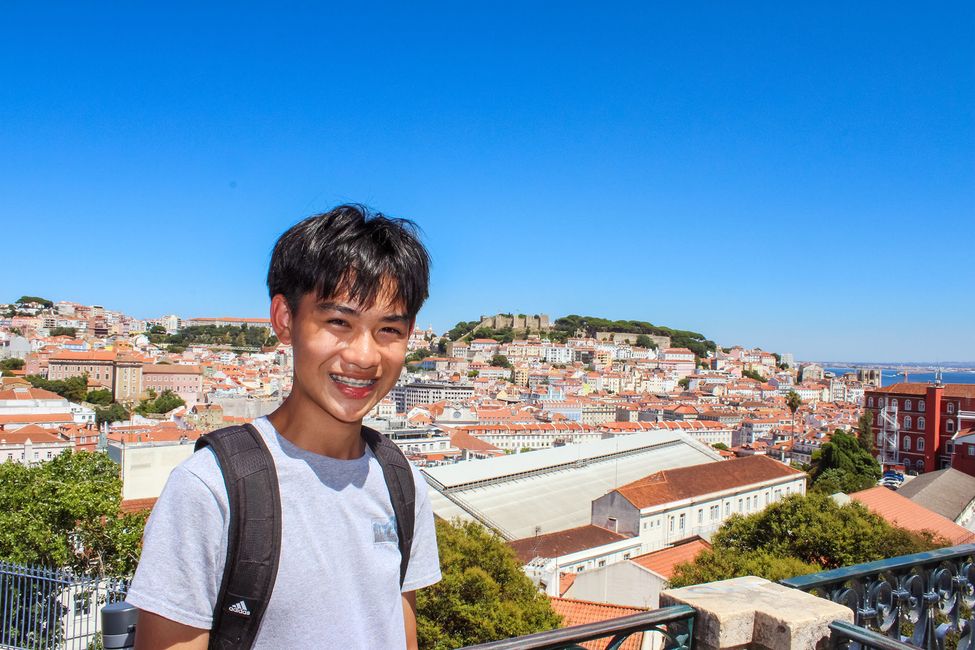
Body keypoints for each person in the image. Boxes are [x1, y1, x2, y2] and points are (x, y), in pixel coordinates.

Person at [126, 205, 441, 649]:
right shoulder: (210, 489)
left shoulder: (401, 480)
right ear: (285, 319)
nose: (365, 356)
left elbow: (397, 627)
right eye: (339, 322)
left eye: (388, 329)